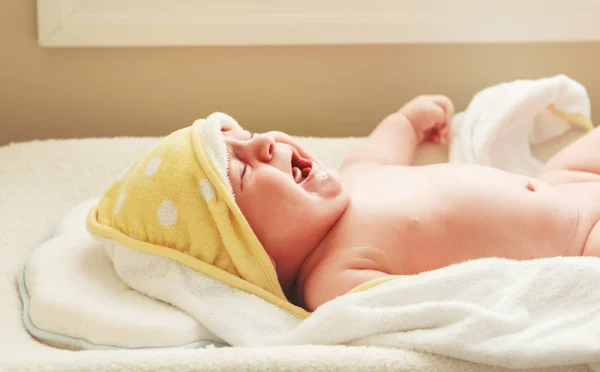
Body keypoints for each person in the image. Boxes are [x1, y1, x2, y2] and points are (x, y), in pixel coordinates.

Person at [88, 96, 600, 313]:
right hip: (577, 243)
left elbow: (379, 149)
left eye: (244, 133)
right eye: (242, 169)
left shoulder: (354, 178)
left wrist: (406, 121)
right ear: (248, 250)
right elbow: (443, 303)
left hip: (564, 183)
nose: (265, 142)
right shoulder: (333, 279)